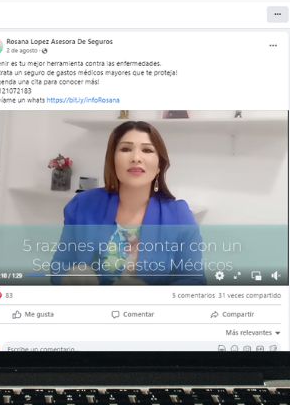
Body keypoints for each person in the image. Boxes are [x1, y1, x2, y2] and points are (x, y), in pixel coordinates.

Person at [52, 121, 204, 285]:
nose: (136, 158)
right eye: (125, 149)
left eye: (147, 150)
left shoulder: (179, 216)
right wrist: (71, 276)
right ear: (113, 160)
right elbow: (59, 267)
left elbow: (194, 280)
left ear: (159, 166)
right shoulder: (82, 205)